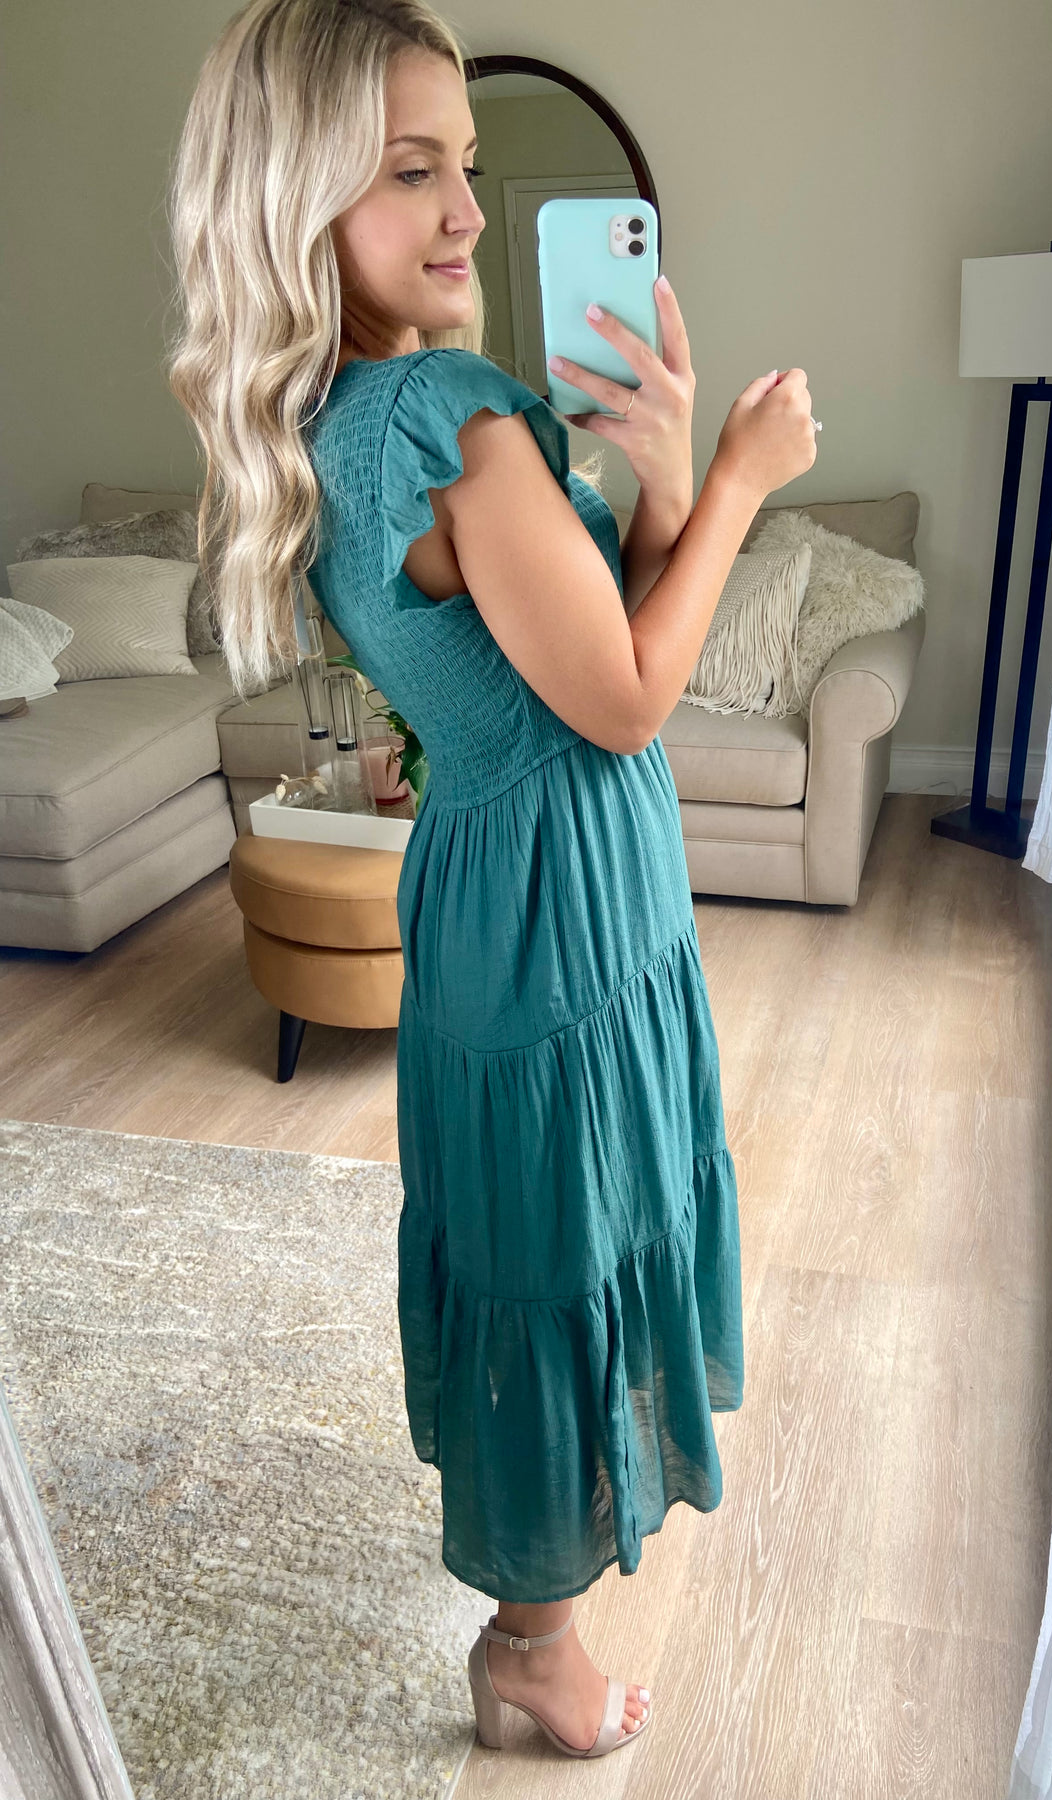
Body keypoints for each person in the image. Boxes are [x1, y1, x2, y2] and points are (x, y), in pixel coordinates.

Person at [166, 0, 816, 1761]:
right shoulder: (450, 418)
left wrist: (664, 480)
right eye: (411, 171)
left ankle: (538, 1616)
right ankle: (532, 1647)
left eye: (465, 161)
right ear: (298, 201)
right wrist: (744, 478)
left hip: (496, 879)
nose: (466, 207)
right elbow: (631, 699)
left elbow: (587, 649)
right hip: (560, 894)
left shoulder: (328, 425)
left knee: (542, 1230)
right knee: (567, 1235)